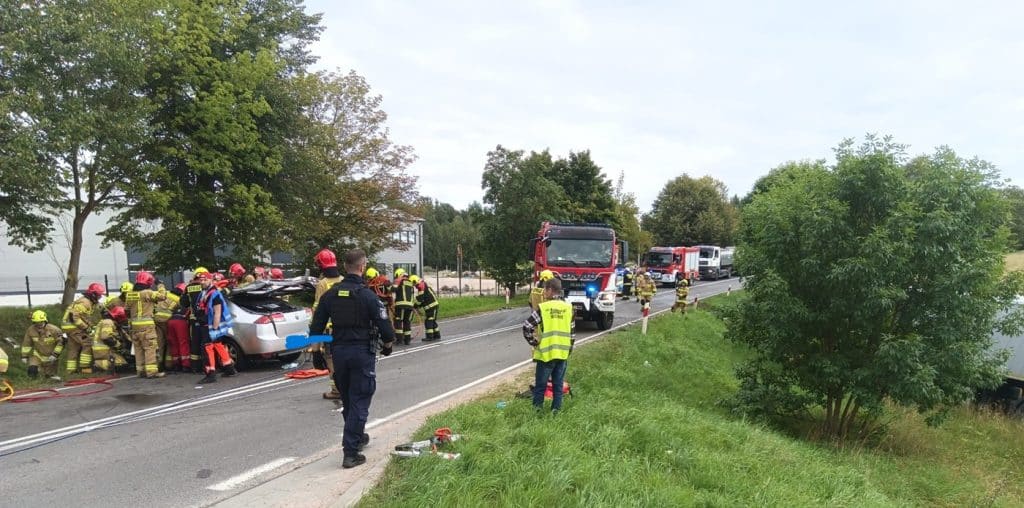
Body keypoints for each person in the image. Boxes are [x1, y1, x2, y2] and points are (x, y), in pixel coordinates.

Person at [309, 249, 395, 469]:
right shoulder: (367, 296)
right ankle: (351, 452)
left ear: (345, 267)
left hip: (339, 353)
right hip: (361, 353)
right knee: (360, 398)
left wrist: (316, 352)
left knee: (348, 398)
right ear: (362, 266)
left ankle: (356, 436)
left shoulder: (330, 295)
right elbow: (385, 327)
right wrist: (387, 346)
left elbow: (317, 325)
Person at [522, 277, 574, 414]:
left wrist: (534, 342)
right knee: (558, 386)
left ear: (550, 290)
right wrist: (568, 350)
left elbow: (526, 326)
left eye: (545, 289)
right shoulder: (569, 308)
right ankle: (555, 413)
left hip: (546, 355)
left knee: (540, 386)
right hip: (562, 354)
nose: (544, 292)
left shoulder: (544, 308)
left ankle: (537, 413)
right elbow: (572, 333)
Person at [313, 248, 343, 400]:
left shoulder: (322, 284)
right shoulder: (343, 280)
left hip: (328, 330)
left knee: (331, 359)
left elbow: (317, 311)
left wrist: (314, 347)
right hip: (344, 327)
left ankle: (336, 390)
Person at [125, 271, 168, 378]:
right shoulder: (147, 293)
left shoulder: (130, 295)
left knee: (138, 349)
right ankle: (151, 372)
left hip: (134, 327)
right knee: (150, 348)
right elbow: (162, 296)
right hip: (147, 326)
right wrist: (160, 285)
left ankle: (141, 371)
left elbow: (126, 311)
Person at [197, 271, 238, 383]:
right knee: (218, 345)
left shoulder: (214, 294)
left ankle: (210, 374)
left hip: (210, 326)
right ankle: (230, 369)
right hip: (207, 324)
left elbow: (217, 312)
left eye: (205, 280)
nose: (202, 282)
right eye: (201, 280)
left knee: (207, 347)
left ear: (210, 280)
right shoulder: (205, 292)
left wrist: (214, 328)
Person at [61, 282, 105, 374]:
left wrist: (90, 325)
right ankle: (84, 368)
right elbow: (74, 317)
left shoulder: (88, 302)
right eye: (99, 295)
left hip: (69, 326)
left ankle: (70, 371)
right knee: (88, 343)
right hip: (74, 327)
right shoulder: (85, 303)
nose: (100, 297)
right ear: (93, 294)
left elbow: (84, 316)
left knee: (73, 347)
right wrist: (86, 328)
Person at [180, 267, 209, 373]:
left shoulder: (189, 287)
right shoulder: (207, 286)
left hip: (194, 320)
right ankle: (207, 365)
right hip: (206, 318)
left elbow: (184, 303)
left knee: (195, 343)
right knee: (206, 342)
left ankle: (195, 367)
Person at [22, 310, 65, 381]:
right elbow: (27, 343)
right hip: (37, 355)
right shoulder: (31, 330)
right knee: (32, 371)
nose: (39, 324)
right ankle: (32, 383)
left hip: (51, 357)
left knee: (50, 377)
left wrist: (55, 355)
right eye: (36, 323)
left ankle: (49, 376)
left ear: (45, 321)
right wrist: (24, 356)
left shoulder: (54, 330)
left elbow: (61, 343)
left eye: (41, 322)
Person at [154, 279, 182, 371]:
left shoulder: (165, 294)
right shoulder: (179, 300)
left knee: (159, 343)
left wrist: (159, 283)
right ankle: (168, 364)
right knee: (170, 342)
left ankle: (158, 364)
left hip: (156, 320)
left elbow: (161, 288)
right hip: (167, 321)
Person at [92, 306, 129, 373]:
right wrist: (119, 346)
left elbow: (125, 336)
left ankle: (101, 364)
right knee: (120, 366)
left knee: (125, 365)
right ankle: (98, 365)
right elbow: (106, 337)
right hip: (103, 350)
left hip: (108, 349)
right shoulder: (108, 322)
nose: (124, 322)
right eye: (123, 320)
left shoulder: (114, 323)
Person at [164, 284, 191, 372]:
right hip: (180, 322)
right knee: (183, 343)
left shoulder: (172, 300)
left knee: (173, 343)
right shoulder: (186, 305)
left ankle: (176, 364)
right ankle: (185, 365)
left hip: (170, 321)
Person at [411, 275, 441, 341]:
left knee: (429, 321)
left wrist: (415, 306)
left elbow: (420, 299)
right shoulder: (423, 285)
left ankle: (430, 337)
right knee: (432, 321)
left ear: (414, 281)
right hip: (432, 306)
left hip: (431, 307)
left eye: (413, 284)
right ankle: (437, 335)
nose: (414, 286)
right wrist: (417, 306)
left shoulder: (421, 286)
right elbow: (423, 299)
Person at [392, 268, 415, 345]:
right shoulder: (410, 282)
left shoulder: (399, 280)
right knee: (407, 322)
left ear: (399, 274)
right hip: (410, 306)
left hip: (401, 305)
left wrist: (389, 287)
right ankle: (407, 340)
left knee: (398, 321)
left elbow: (393, 289)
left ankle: (399, 340)